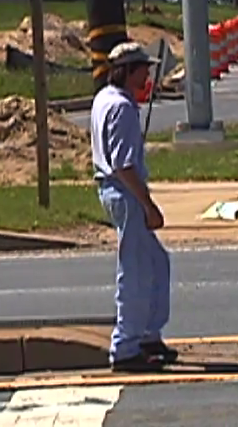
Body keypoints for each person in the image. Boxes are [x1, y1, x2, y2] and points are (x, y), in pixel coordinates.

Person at [90, 41, 177, 372]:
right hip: (124, 192)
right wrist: (148, 205)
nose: (148, 73)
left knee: (156, 262)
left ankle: (148, 336)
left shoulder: (105, 100)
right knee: (136, 270)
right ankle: (125, 347)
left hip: (116, 190)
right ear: (126, 71)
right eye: (143, 68)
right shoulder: (122, 108)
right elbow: (123, 165)